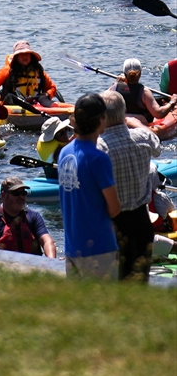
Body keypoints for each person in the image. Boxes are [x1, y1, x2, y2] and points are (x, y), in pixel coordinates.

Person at [99, 89, 161, 282]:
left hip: (113, 223)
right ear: (124, 113)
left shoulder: (99, 146)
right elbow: (157, 148)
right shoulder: (144, 137)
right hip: (143, 221)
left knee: (115, 281)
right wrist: (138, 124)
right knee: (140, 281)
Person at [57, 93, 120, 280]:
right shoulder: (99, 158)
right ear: (101, 120)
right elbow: (114, 209)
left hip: (72, 247)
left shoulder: (64, 153)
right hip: (99, 248)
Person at [0, 177, 57, 257]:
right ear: (3, 195)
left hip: (31, 266)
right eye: (16, 193)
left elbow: (47, 241)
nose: (21, 197)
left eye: (23, 193)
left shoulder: (33, 217)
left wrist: (51, 262)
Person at [0, 40, 60, 106]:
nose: (25, 57)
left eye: (27, 54)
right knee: (10, 97)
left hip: (35, 103)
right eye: (21, 54)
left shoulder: (39, 71)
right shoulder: (6, 71)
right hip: (13, 103)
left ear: (31, 56)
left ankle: (55, 111)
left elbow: (52, 87)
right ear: (16, 57)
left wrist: (47, 94)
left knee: (43, 98)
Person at [110, 58, 162, 127]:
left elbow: (101, 102)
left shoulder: (114, 88)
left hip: (120, 124)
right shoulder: (144, 91)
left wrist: (116, 82)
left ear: (124, 74)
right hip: (141, 126)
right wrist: (172, 102)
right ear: (140, 73)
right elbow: (158, 113)